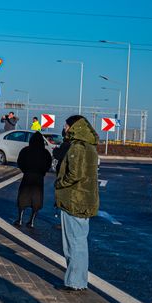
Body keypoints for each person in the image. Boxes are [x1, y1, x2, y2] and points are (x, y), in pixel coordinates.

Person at [53, 115, 99, 292]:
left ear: (74, 127)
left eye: (66, 126)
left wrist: (59, 183)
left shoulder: (77, 146)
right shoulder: (90, 146)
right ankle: (79, 280)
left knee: (73, 243)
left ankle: (75, 282)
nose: (64, 129)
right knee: (79, 241)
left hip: (74, 200)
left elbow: (74, 174)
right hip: (84, 200)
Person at [14, 131, 52, 228]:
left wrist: (25, 170)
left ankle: (20, 219)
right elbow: (48, 164)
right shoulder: (45, 153)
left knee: (23, 197)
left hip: (27, 176)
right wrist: (42, 172)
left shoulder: (25, 150)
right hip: (39, 178)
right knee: (36, 199)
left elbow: (20, 161)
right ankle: (31, 221)